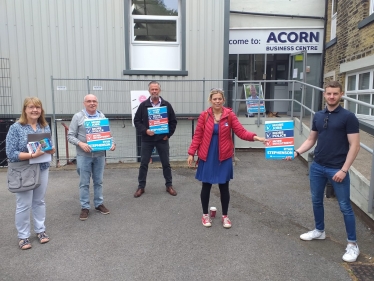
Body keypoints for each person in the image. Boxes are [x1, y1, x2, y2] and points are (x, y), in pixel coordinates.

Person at [286, 81, 360, 262]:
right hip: (318, 166)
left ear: (341, 94)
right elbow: (311, 140)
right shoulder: (318, 116)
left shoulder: (348, 117)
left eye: (335, 93)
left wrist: (344, 169)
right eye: (329, 93)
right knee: (316, 200)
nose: (332, 97)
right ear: (324, 95)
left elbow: (355, 146)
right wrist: (297, 152)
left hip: (337, 168)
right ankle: (319, 231)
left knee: (345, 207)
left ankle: (352, 244)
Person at [187, 88, 266, 228]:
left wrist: (256, 137)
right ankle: (205, 215)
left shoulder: (229, 115)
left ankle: (225, 216)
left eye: (219, 99)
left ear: (223, 100)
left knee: (224, 186)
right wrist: (191, 152)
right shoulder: (204, 115)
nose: (217, 101)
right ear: (210, 100)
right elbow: (197, 135)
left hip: (224, 156)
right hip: (208, 154)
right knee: (206, 185)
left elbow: (241, 132)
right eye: (214, 99)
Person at [6, 97, 55, 249]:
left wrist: (51, 150)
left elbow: (47, 147)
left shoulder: (44, 127)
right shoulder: (16, 128)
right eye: (31, 107)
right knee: (24, 204)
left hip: (42, 167)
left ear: (41, 110)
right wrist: (32, 156)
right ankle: (23, 236)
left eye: (38, 107)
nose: (35, 110)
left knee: (39, 201)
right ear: (25, 109)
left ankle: (40, 230)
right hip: (24, 169)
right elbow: (10, 153)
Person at [67, 94, 116, 221]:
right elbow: (70, 136)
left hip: (99, 155)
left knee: (98, 181)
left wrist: (112, 143)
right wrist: (81, 143)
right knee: (84, 183)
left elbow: (108, 134)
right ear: (84, 103)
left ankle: (99, 204)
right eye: (89, 101)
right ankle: (85, 207)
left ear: (97, 103)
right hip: (84, 156)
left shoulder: (102, 116)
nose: (92, 103)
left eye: (94, 101)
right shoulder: (78, 117)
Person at [133, 81, 178, 198]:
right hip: (147, 139)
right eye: (152, 89)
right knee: (143, 163)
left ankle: (169, 185)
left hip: (162, 139)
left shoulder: (166, 105)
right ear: (149, 91)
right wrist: (145, 130)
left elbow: (173, 121)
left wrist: (168, 135)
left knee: (166, 163)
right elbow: (137, 121)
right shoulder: (143, 105)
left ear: (160, 90)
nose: (154, 91)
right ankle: (141, 187)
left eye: (156, 89)